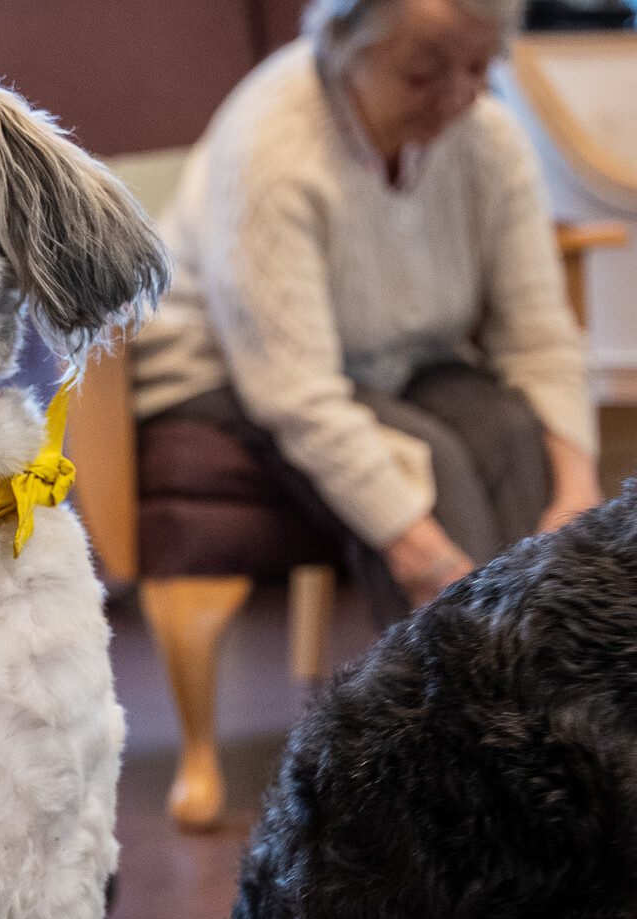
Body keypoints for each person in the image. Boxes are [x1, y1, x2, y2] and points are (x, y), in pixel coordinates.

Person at [131, 0, 601, 621]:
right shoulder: (275, 142)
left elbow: (538, 337)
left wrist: (579, 491)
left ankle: (553, 696)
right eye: (422, 76)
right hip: (219, 366)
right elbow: (295, 391)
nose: (459, 97)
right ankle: (448, 702)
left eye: (479, 68)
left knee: (511, 433)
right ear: (342, 48)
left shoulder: (488, 136)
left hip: (392, 361)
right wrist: (426, 556)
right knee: (424, 465)